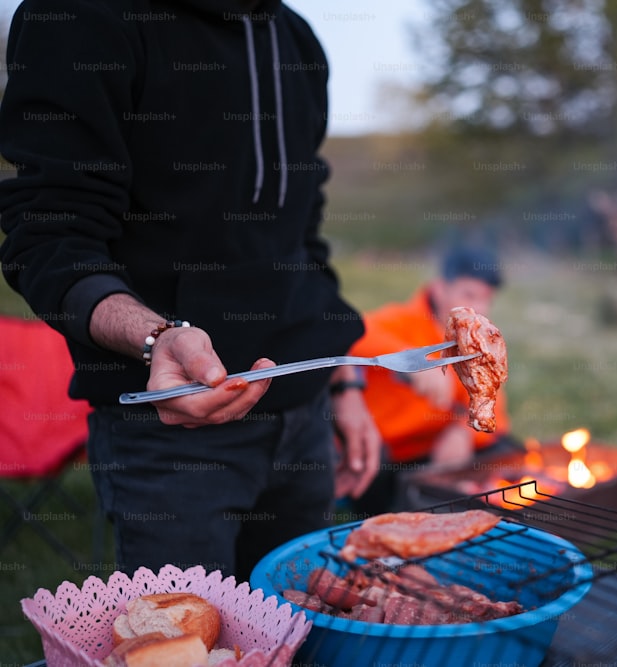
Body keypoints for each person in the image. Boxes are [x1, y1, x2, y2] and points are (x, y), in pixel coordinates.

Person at [0, 0, 381, 582]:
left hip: (307, 418)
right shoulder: (78, 16)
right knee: (190, 639)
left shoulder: (297, 39)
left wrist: (347, 384)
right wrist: (157, 338)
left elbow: (302, 236)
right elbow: (51, 236)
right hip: (170, 436)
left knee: (303, 632)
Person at [348, 245, 518, 515]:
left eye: (486, 299)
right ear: (440, 289)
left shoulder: (474, 341)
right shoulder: (401, 321)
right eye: (469, 294)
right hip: (390, 453)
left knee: (509, 450)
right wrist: (412, 361)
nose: (479, 307)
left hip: (437, 448)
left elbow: (494, 407)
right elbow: (354, 333)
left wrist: (463, 433)